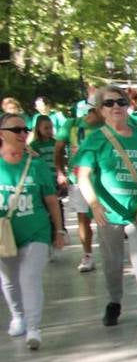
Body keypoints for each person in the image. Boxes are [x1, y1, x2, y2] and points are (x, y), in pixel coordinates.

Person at [72, 85, 137, 336]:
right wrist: (94, 204)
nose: (116, 106)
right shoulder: (95, 139)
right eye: (109, 103)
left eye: (121, 102)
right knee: (113, 263)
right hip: (109, 212)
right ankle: (114, 301)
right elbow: (84, 175)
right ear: (101, 110)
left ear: (128, 106)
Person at [1, 113, 64, 349]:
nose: (21, 134)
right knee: (8, 280)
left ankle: (34, 328)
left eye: (24, 129)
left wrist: (58, 231)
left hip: (36, 231)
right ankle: (18, 316)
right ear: (1, 134)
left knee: (30, 278)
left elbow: (50, 200)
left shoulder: (36, 165)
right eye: (15, 129)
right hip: (4, 235)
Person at [55, 102, 99, 273]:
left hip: (104, 178)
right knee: (83, 217)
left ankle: (113, 251)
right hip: (78, 178)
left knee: (109, 218)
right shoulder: (71, 125)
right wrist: (60, 172)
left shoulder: (108, 124)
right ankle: (87, 254)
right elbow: (58, 149)